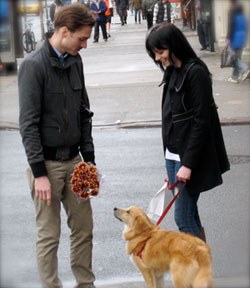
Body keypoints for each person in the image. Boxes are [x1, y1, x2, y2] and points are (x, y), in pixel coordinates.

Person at [18, 5, 96, 288]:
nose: (85, 45)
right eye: (81, 39)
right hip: (47, 167)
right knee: (49, 235)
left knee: (84, 230)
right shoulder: (33, 65)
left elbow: (83, 112)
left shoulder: (75, 61)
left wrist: (89, 161)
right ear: (64, 32)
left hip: (76, 162)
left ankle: (85, 284)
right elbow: (28, 124)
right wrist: (39, 173)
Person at [145, 23, 230, 241]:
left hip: (188, 160)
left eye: (160, 52)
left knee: (182, 217)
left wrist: (188, 164)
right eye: (154, 53)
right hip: (173, 158)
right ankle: (203, 266)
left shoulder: (196, 73)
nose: (157, 58)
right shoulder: (173, 72)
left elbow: (202, 122)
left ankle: (197, 270)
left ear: (174, 46)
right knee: (189, 213)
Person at [226, 0, 249, 83]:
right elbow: (246, 26)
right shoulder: (242, 14)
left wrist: (228, 38)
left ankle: (244, 69)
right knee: (237, 57)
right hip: (242, 38)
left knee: (233, 58)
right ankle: (234, 77)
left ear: (232, 3)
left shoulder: (232, 12)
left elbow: (230, 26)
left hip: (234, 38)